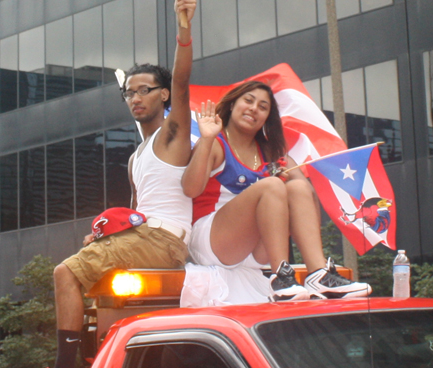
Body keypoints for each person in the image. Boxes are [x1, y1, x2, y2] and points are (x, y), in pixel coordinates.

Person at [52, 1, 197, 367]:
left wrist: (183, 29)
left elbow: (181, 83)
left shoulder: (171, 135)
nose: (135, 98)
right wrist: (107, 236)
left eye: (144, 90)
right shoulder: (138, 155)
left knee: (65, 273)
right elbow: (134, 217)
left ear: (162, 95)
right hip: (146, 237)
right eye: (129, 93)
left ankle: (64, 364)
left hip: (164, 241)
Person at [181, 81, 372, 303]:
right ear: (232, 105)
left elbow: (305, 197)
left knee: (297, 186)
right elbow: (190, 189)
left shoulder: (272, 152)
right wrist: (206, 139)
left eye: (263, 107)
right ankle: (281, 275)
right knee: (271, 186)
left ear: (266, 118)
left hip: (254, 251)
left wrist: (289, 175)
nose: (254, 109)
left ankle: (318, 274)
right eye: (248, 101)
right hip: (212, 241)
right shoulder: (216, 143)